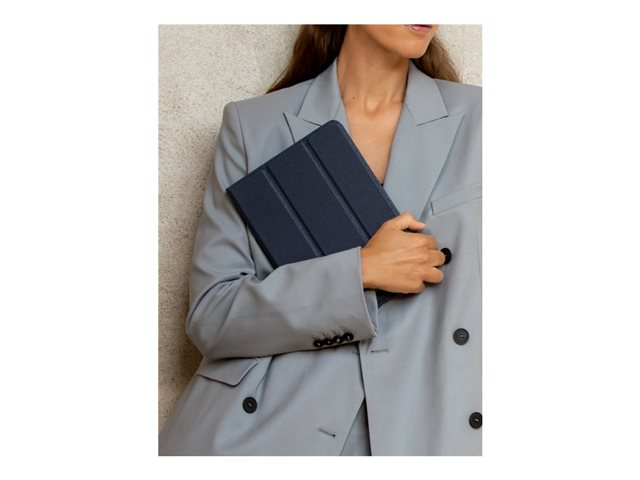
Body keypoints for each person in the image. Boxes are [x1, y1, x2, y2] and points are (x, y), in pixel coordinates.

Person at [159, 24, 481, 456]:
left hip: (431, 428)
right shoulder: (254, 126)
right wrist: (358, 273)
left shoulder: (485, 121)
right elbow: (212, 316)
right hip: (275, 432)